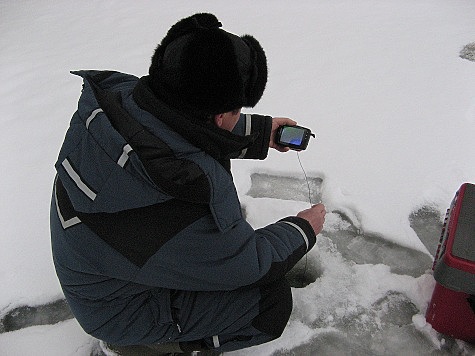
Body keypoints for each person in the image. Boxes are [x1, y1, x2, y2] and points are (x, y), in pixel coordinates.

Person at [50, 13, 326, 355]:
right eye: (237, 110)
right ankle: (146, 346)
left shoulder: (121, 101)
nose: (236, 116)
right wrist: (303, 229)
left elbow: (174, 126)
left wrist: (259, 133)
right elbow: (246, 265)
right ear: (221, 115)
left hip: (98, 272)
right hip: (116, 311)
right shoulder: (185, 194)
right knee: (269, 305)